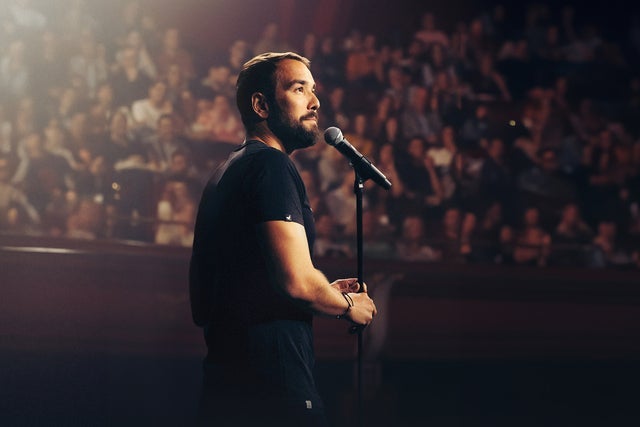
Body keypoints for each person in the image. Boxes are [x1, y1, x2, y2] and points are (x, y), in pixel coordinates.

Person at [189, 52, 377, 427]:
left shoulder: (224, 174)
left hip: (226, 388)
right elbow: (295, 281)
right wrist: (346, 304)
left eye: (313, 90)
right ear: (261, 104)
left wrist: (320, 290)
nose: (315, 101)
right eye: (298, 88)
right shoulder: (271, 166)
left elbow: (205, 301)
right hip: (275, 390)